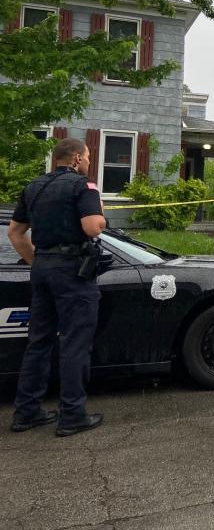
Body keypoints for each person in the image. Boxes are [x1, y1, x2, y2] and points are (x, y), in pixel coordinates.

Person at [8, 138, 106, 436]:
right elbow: (93, 227)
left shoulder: (34, 187)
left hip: (42, 269)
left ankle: (27, 413)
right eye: (88, 157)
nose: (89, 163)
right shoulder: (83, 186)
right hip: (72, 273)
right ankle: (72, 415)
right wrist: (99, 208)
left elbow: (16, 233)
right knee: (75, 343)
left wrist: (38, 260)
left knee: (39, 341)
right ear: (76, 158)